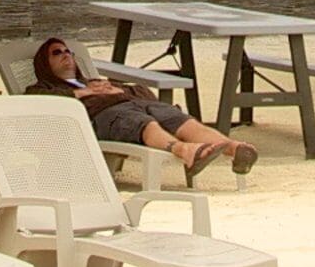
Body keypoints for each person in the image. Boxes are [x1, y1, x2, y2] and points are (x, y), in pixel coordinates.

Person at [32, 36, 255, 178]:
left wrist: (118, 91)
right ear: (45, 63)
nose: (65, 56)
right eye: (57, 53)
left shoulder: (98, 82)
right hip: (105, 116)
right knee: (145, 124)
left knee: (182, 120)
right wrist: (84, 92)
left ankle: (234, 148)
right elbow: (37, 99)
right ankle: (185, 151)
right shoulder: (42, 88)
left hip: (137, 104)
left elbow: (144, 92)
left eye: (67, 51)